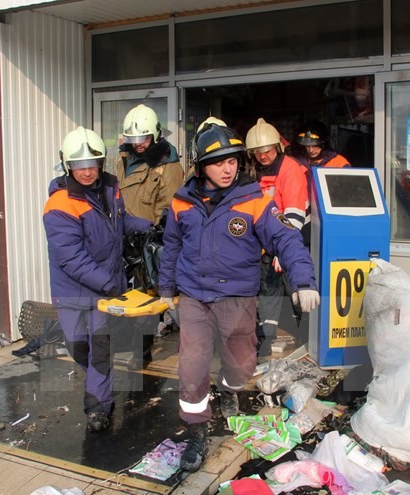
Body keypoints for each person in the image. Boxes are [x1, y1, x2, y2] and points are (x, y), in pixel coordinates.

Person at [158, 122, 319, 472]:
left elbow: (286, 239)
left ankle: (228, 388)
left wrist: (304, 280)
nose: (227, 168)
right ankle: (197, 429)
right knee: (192, 363)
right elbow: (171, 246)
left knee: (241, 365)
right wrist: (166, 289)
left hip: (237, 297)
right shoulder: (181, 202)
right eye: (218, 162)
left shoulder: (254, 201)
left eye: (231, 160)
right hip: (195, 296)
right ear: (202, 167)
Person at [43, 126, 151, 432]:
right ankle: (98, 379)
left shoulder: (111, 188)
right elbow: (71, 257)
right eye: (79, 166)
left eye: (92, 165)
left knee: (100, 348)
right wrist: (110, 283)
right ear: (67, 165)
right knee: (77, 345)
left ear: (101, 163)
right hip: (75, 291)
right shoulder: (60, 203)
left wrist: (150, 226)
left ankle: (98, 408)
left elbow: (121, 221)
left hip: (104, 293)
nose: (87, 172)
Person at [117, 104, 184, 370]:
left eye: (143, 139)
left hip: (148, 242)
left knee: (147, 298)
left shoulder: (168, 164)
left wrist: (155, 242)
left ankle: (141, 352)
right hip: (124, 239)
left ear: (155, 135)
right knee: (124, 297)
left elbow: (168, 210)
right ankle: (131, 345)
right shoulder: (124, 158)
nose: (139, 144)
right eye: (133, 139)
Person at [245, 118, 311, 356]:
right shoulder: (256, 171)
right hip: (268, 243)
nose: (263, 156)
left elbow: (294, 213)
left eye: (267, 151)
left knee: (296, 289)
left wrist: (284, 251)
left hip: (293, 239)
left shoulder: (290, 169)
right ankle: (265, 340)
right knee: (268, 290)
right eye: (258, 152)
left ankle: (309, 339)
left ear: (277, 147)